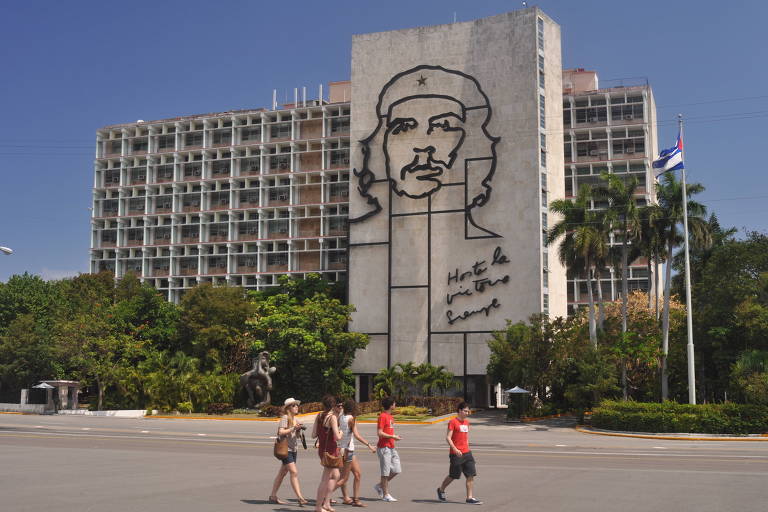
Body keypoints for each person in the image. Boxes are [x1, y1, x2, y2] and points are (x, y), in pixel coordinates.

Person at [436, 402, 482, 505]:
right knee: (453, 475)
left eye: (468, 411)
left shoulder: (467, 423)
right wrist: (455, 450)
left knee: (470, 475)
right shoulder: (453, 422)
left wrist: (468, 448)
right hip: (455, 453)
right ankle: (441, 489)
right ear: (460, 411)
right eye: (465, 411)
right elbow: (448, 438)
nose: (467, 413)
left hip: (467, 453)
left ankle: (469, 497)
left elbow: (466, 438)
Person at [335, 399, 376, 507]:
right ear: (352, 408)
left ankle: (356, 500)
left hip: (344, 449)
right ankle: (326, 493)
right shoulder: (350, 419)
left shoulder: (341, 417)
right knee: (344, 478)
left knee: (357, 474)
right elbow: (357, 435)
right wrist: (369, 445)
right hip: (347, 450)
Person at [269, 398, 309, 506]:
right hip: (286, 450)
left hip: (293, 449)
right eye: (293, 405)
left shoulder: (295, 419)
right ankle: (300, 498)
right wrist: (293, 428)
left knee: (282, 473)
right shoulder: (285, 418)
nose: (296, 407)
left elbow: (294, 435)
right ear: (288, 408)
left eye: (296, 405)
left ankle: (273, 496)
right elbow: (281, 432)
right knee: (294, 472)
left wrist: (298, 430)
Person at [314, 395, 343, 512]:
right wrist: (341, 432)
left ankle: (326, 503)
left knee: (336, 476)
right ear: (333, 405)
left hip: (323, 450)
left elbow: (313, 435)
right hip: (330, 450)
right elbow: (337, 436)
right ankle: (318, 507)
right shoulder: (332, 418)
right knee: (325, 479)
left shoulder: (319, 415)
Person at [374, 396, 402, 502]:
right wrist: (392, 437)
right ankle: (386, 494)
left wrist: (395, 436)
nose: (395, 405)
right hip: (384, 447)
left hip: (391, 447)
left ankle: (379, 486)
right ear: (391, 405)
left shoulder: (390, 417)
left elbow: (388, 431)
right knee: (385, 472)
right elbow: (379, 433)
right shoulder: (383, 416)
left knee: (396, 470)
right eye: (394, 403)